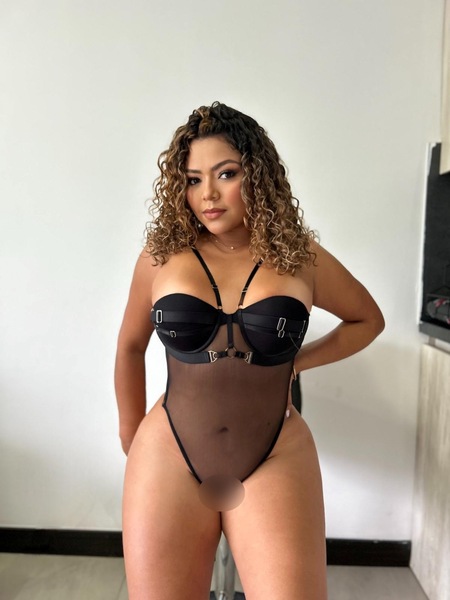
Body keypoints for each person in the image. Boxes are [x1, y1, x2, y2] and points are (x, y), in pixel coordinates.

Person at [114, 102, 385, 600]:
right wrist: (132, 440)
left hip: (274, 452)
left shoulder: (300, 256)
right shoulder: (160, 258)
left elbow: (368, 320)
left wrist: (298, 360)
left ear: (257, 175)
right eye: (193, 180)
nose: (208, 194)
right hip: (170, 453)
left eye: (226, 174)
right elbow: (130, 348)